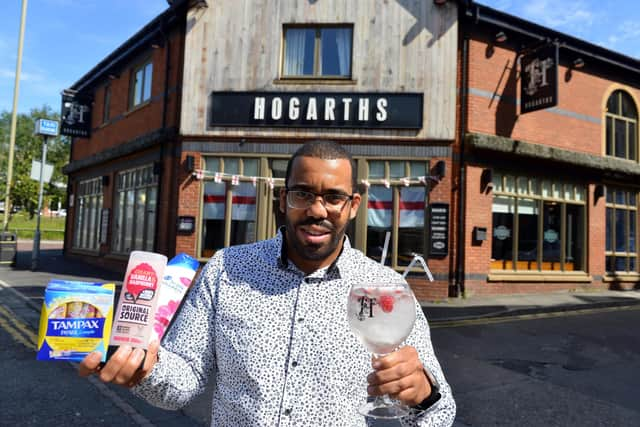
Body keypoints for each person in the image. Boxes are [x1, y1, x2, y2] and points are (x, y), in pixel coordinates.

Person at [79, 140, 456, 426]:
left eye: (333, 197)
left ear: (353, 206)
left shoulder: (383, 288)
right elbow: (183, 382)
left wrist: (422, 393)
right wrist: (148, 368)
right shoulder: (227, 269)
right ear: (282, 199)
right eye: (303, 194)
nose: (317, 210)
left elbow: (441, 412)